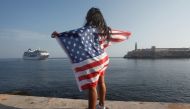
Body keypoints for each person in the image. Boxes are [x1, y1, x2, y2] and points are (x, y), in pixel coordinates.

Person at [51, 7, 131, 109]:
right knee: (101, 82)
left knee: (92, 87)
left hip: (94, 62)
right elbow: (115, 34)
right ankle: (101, 106)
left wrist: (60, 35)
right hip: (103, 59)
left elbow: (74, 34)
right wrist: (126, 34)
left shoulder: (87, 30)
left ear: (88, 17)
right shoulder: (104, 29)